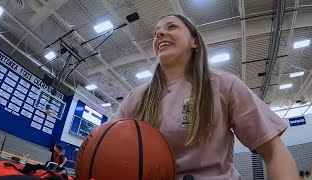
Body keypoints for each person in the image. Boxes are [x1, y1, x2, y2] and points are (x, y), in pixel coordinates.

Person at [114, 14, 299, 179]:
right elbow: (111, 151)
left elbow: (274, 150)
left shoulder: (223, 84)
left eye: (171, 27)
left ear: (194, 42)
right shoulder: (135, 98)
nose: (159, 34)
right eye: (156, 33)